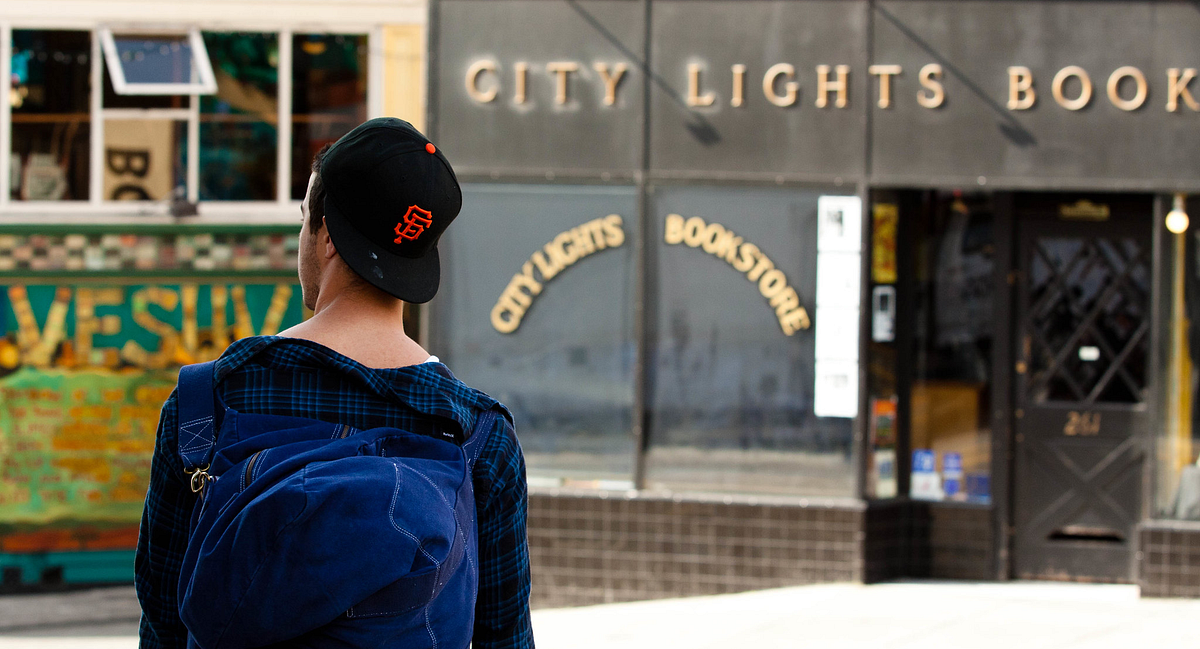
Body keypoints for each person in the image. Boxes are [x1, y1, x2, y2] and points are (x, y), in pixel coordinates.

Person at [135, 118, 533, 648]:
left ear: (325, 235)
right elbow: (503, 639)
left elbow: (162, 625)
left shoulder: (208, 402)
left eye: (305, 218)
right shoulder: (479, 438)